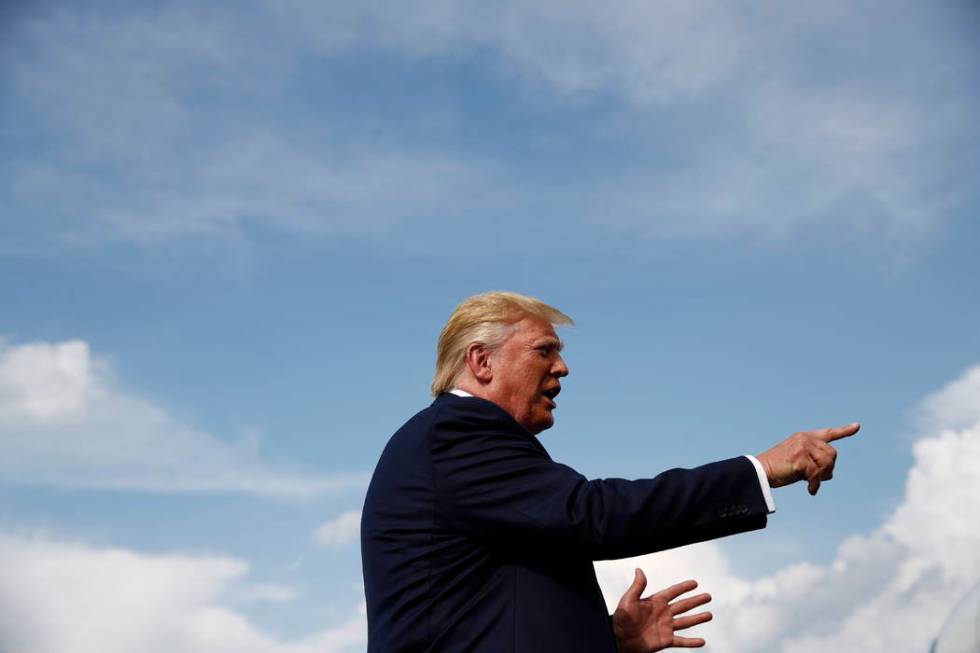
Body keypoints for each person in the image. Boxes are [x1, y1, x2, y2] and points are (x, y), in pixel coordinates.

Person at [361, 291, 859, 652]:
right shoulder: (457, 434)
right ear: (482, 361)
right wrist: (761, 470)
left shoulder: (464, 448)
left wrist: (608, 640)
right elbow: (590, 513)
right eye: (544, 350)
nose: (562, 368)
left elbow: (493, 615)